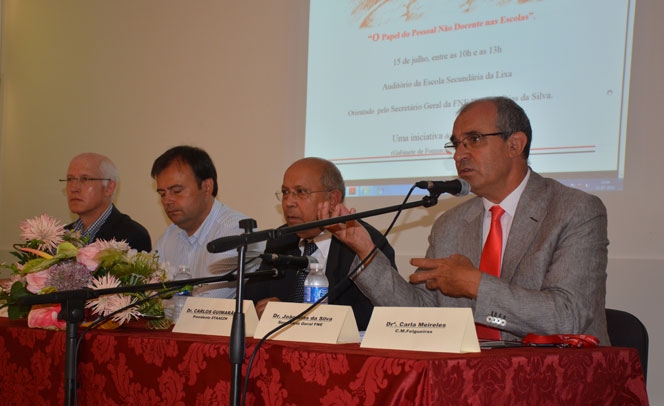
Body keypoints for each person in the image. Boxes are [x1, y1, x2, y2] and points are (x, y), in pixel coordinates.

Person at [320, 96, 610, 344]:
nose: (459, 154)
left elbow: (568, 316)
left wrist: (476, 284)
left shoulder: (574, 210)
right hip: (471, 377)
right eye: (456, 144)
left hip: (557, 380)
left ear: (515, 144)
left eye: (474, 140)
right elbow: (421, 315)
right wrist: (365, 251)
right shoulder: (451, 224)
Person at [0, 152, 152, 308]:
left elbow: (98, 292)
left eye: (85, 179)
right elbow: (37, 282)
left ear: (109, 187)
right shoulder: (59, 237)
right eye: (70, 179)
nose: (74, 188)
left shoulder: (130, 235)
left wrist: (3, 286)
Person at [244, 157, 397, 331]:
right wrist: (260, 311)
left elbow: (374, 316)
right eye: (285, 192)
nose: (288, 202)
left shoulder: (364, 243)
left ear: (332, 199)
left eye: (300, 192)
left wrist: (296, 317)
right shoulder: (281, 239)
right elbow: (249, 301)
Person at [151, 145, 263, 298]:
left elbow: (208, 304)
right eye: (162, 194)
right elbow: (148, 297)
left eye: (177, 191)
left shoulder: (235, 231)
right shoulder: (168, 237)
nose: (167, 201)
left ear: (206, 187)